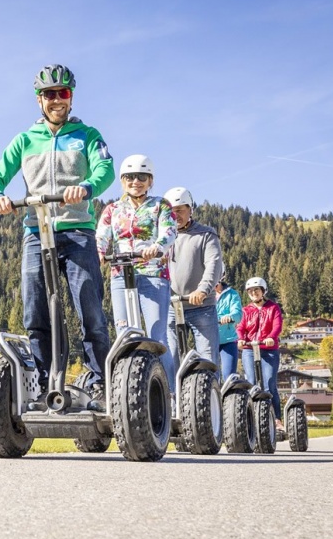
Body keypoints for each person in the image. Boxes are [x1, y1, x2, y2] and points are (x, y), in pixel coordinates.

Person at [0, 64, 115, 394]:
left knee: (89, 310)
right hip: (36, 232)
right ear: (39, 100)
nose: (57, 100)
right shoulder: (26, 140)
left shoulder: (88, 135)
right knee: (35, 311)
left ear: (71, 98)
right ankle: (44, 384)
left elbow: (106, 170)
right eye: (50, 95)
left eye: (64, 93)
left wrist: (86, 187)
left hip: (77, 232)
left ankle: (101, 382)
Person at [95, 155, 177, 389]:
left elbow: (169, 231)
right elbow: (102, 235)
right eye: (130, 177)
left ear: (150, 181)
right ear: (122, 180)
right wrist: (99, 252)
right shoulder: (113, 209)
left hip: (152, 273)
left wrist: (157, 247)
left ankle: (168, 393)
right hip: (121, 274)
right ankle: (127, 390)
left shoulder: (160, 205)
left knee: (156, 336)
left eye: (142, 177)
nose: (136, 181)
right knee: (124, 334)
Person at [162, 187, 224, 383]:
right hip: (172, 306)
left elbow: (214, 264)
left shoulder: (205, 234)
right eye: (172, 210)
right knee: (169, 356)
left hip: (200, 306)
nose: (176, 215)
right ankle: (171, 400)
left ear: (191, 209)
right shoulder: (162, 237)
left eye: (180, 210)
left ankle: (210, 399)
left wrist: (203, 290)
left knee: (207, 357)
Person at [237, 277, 284, 430]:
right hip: (250, 349)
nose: (254, 293)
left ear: (263, 291)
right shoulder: (246, 310)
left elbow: (277, 326)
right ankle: (251, 418)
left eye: (256, 290)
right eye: (250, 291)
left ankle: (276, 419)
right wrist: (241, 339)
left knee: (269, 384)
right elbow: (240, 328)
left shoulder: (273, 308)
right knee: (251, 382)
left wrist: (271, 337)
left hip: (269, 350)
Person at [215, 277, 243, 384]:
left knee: (229, 377)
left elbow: (238, 314)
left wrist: (229, 317)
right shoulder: (205, 294)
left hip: (228, 341)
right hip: (209, 341)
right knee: (211, 375)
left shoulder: (232, 294)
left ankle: (230, 399)